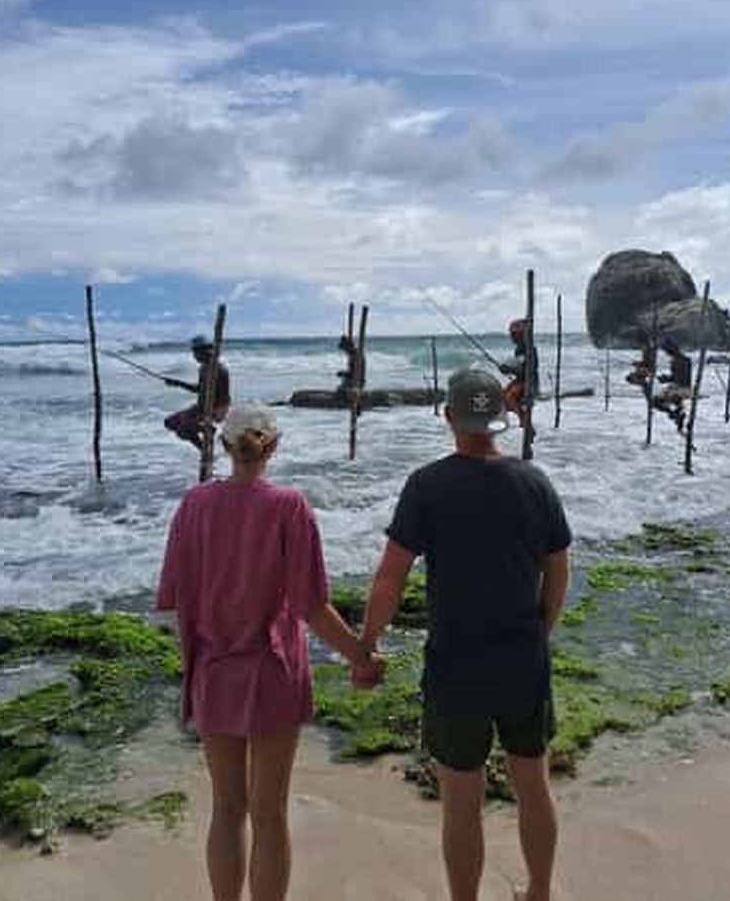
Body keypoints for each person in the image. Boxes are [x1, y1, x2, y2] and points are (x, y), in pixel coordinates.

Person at [359, 368, 572, 901]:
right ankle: (539, 891)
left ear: (448, 416)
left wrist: (367, 645)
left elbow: (390, 578)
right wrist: (540, 631)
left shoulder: (427, 485)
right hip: (523, 658)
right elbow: (558, 572)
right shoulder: (534, 482)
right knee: (533, 785)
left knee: (461, 802)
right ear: (502, 417)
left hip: (456, 665)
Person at [156, 404, 381, 901]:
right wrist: (359, 655)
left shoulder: (194, 504)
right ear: (273, 446)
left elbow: (177, 597)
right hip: (274, 672)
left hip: (213, 672)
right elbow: (311, 606)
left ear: (223, 445)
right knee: (269, 813)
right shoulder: (289, 506)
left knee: (226, 808)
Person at [163, 334, 231, 450]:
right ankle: (204, 436)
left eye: (195, 352)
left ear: (205, 351)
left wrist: (206, 413)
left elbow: (222, 398)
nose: (194, 356)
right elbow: (200, 389)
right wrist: (178, 383)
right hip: (201, 407)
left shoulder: (219, 369)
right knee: (170, 422)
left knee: (184, 428)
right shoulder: (203, 368)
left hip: (216, 409)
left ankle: (205, 446)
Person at [499, 318, 540, 418]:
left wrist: (509, 369)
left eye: (514, 334)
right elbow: (519, 365)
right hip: (520, 381)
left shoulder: (528, 348)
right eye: (511, 334)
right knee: (501, 396)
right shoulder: (519, 349)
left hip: (529, 383)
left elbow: (528, 369)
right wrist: (507, 369)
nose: (511, 337)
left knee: (510, 397)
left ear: (522, 334)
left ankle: (523, 418)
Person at [652, 334, 693, 433]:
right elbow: (677, 377)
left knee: (656, 401)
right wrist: (667, 379)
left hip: (682, 389)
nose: (666, 353)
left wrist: (666, 379)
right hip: (678, 388)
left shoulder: (680, 361)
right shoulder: (681, 360)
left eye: (667, 351)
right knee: (657, 401)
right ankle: (677, 415)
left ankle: (676, 414)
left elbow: (680, 378)